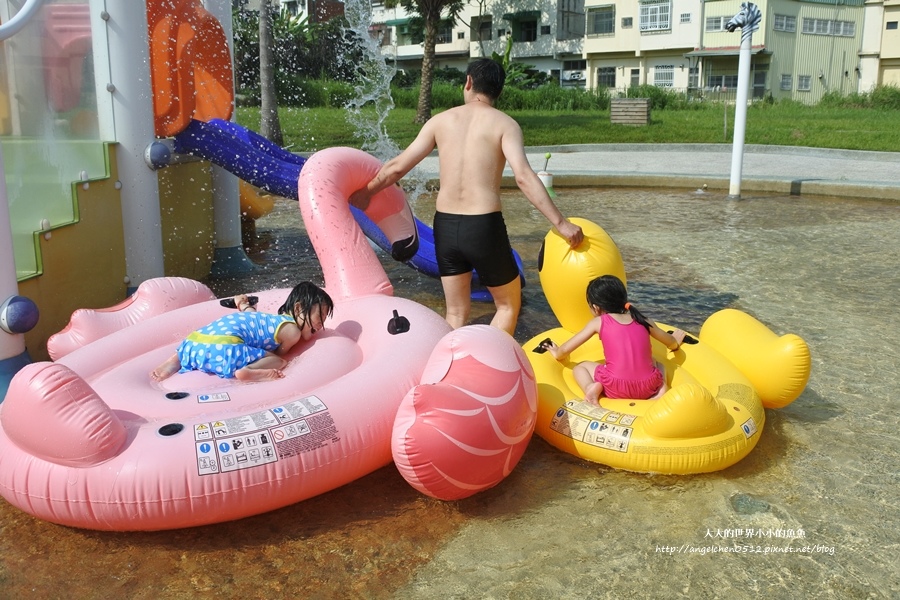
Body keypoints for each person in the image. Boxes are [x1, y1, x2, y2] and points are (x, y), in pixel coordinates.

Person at [349, 58, 583, 336]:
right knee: (508, 305)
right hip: (483, 226)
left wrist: (365, 193)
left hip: (446, 227)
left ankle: (446, 369)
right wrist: (561, 223)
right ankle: (494, 369)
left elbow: (397, 167)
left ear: (469, 82)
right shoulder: (506, 125)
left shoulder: (440, 121)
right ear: (499, 91)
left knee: (456, 312)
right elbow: (523, 176)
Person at [542, 275, 686, 404]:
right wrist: (675, 341)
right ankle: (661, 389)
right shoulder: (643, 320)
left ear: (595, 307)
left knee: (581, 366)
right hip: (648, 387)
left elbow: (565, 351)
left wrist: (556, 352)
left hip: (614, 387)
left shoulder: (599, 322)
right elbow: (671, 343)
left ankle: (590, 388)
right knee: (659, 364)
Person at [150, 282, 334, 382]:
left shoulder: (266, 320)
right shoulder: (292, 331)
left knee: (205, 337)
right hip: (225, 348)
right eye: (321, 316)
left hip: (195, 343)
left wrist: (242, 303)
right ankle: (250, 372)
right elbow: (278, 353)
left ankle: (174, 361)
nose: (322, 324)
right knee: (280, 361)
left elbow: (250, 314)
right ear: (299, 308)